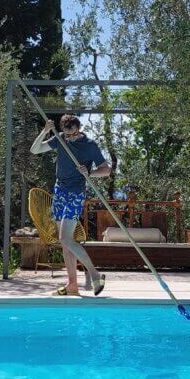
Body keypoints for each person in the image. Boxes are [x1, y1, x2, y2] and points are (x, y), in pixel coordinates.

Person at [30, 114, 111, 296]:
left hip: (76, 194)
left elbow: (106, 170)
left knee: (65, 238)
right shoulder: (59, 139)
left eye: (73, 134)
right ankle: (72, 285)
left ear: (78, 129)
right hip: (59, 192)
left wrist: (89, 173)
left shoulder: (89, 145)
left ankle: (95, 274)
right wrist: (45, 131)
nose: (70, 137)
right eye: (67, 135)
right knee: (65, 243)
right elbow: (35, 150)